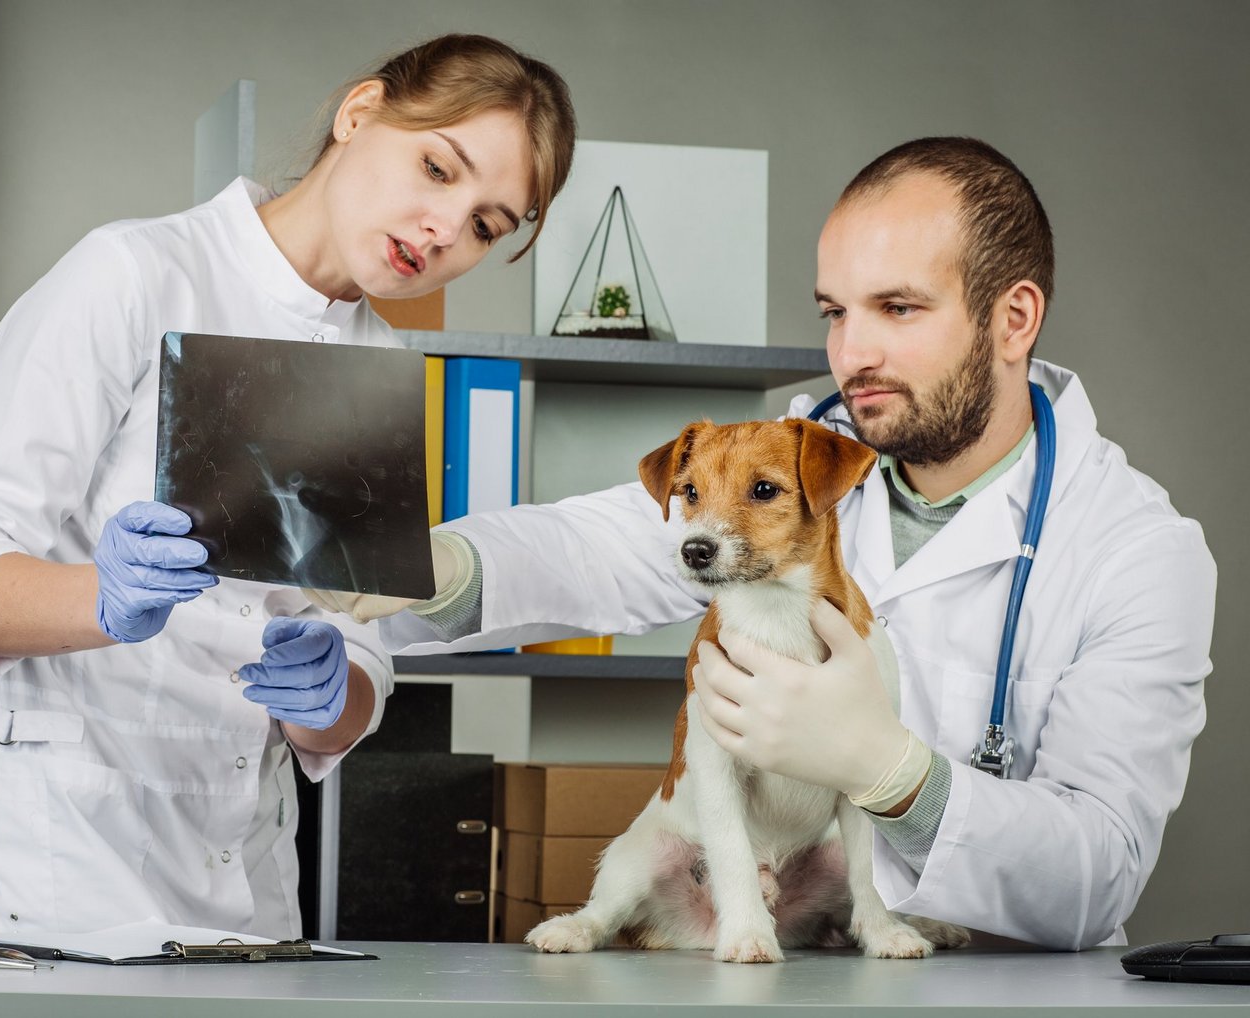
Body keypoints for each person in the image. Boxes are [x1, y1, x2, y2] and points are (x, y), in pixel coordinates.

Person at [335, 137, 1216, 951]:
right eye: (836, 311)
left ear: (1014, 318)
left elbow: (1100, 873)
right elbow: (590, 545)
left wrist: (893, 773)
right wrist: (434, 565)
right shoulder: (788, 455)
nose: (852, 353)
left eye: (898, 307)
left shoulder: (1135, 550)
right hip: (781, 966)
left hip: (997, 985)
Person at [0, 33, 576, 938]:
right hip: (66, 840)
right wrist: (104, 598)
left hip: (243, 852)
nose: (448, 229)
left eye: (486, 225)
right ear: (359, 113)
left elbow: (361, 638)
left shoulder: (381, 369)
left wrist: (334, 699)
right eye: (438, 168)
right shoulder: (132, 274)